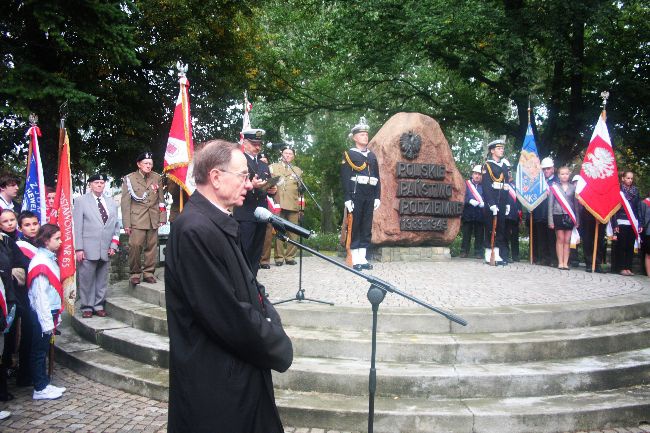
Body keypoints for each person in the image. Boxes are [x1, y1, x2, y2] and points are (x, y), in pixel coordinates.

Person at [165, 139, 293, 433]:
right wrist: (278, 344)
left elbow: (250, 285)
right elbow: (226, 314)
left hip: (239, 369)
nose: (249, 185)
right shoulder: (194, 229)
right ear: (216, 177)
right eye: (243, 176)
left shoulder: (217, 221)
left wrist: (270, 315)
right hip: (217, 380)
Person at [26, 224, 66, 400]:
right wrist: (47, 322)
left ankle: (44, 383)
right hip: (43, 313)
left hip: (50, 311)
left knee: (42, 350)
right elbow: (40, 296)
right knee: (39, 352)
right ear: (45, 240)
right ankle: (40, 387)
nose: (60, 241)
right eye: (57, 238)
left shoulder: (49, 258)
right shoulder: (41, 263)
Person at [74, 174, 120, 318]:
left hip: (106, 248)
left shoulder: (111, 202)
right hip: (87, 247)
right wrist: (79, 248)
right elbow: (77, 227)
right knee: (86, 278)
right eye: (96, 182)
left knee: (101, 279)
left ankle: (98, 304)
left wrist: (114, 245)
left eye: (102, 182)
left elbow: (116, 226)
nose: (100, 185)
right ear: (90, 185)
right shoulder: (81, 201)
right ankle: (87, 306)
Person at [340, 117, 381, 271]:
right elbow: (345, 177)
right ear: (355, 137)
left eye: (366, 134)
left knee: (366, 226)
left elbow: (377, 177)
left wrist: (378, 196)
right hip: (356, 193)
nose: (365, 136)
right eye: (362, 134)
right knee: (355, 226)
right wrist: (347, 198)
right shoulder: (349, 154)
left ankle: (362, 257)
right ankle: (355, 258)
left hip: (370, 194)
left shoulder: (371, 155)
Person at [120, 152, 167, 285]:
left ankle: (148, 273)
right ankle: (135, 273)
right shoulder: (130, 178)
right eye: (146, 163)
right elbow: (125, 203)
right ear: (139, 164)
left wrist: (162, 216)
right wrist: (127, 224)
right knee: (135, 246)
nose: (149, 166)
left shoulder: (157, 177)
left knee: (151, 247)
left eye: (150, 163)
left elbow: (161, 200)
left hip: (153, 218)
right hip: (137, 219)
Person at [233, 129, 275, 276]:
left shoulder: (263, 165)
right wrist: (251, 185)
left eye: (259, 144)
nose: (257, 147)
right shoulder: (239, 161)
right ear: (245, 143)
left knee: (257, 251)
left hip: (261, 213)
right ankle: (242, 285)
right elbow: (232, 185)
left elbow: (269, 187)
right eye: (254, 144)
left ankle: (253, 284)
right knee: (244, 249)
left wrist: (272, 189)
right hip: (245, 212)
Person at [0, 209, 33, 389]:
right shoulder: (3, 241)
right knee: (7, 339)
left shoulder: (15, 242)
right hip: (5, 297)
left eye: (12, 219)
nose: (10, 224)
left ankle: (21, 374)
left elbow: (22, 265)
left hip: (19, 296)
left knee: (22, 335)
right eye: (5, 221)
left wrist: (15, 273)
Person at [269, 147, 304, 266]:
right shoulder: (273, 167)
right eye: (286, 153)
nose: (288, 155)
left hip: (293, 204)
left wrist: (301, 208)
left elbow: (301, 191)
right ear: (281, 154)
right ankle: (279, 258)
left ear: (293, 156)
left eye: (290, 154)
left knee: (293, 232)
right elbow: (269, 184)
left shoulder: (298, 170)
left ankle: (290, 257)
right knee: (279, 231)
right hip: (278, 203)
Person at [481, 139, 510, 265]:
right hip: (491, 201)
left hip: (502, 200)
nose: (501, 150)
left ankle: (497, 254)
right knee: (490, 227)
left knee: (501, 227)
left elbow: (506, 185)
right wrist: (491, 203)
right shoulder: (487, 166)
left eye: (502, 148)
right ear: (492, 151)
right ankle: (488, 253)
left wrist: (507, 202)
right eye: (499, 148)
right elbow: (486, 186)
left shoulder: (504, 166)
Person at [548, 166, 580, 269]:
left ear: (569, 174)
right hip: (557, 215)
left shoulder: (573, 188)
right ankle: (560, 262)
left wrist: (577, 220)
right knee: (560, 239)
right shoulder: (554, 187)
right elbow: (550, 205)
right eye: (562, 174)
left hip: (570, 216)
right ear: (559, 175)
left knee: (567, 240)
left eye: (566, 174)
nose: (564, 176)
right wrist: (550, 220)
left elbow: (576, 206)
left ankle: (565, 263)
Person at [530, 157, 558, 266]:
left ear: (553, 169)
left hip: (552, 214)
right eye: (544, 169)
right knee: (541, 238)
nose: (546, 171)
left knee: (552, 238)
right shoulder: (537, 181)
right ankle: (543, 258)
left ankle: (554, 259)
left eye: (548, 168)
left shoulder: (557, 182)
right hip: (539, 213)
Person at [612, 171, 640, 276]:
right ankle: (621, 267)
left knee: (630, 246)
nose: (630, 180)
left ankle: (628, 267)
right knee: (621, 245)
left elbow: (637, 208)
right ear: (623, 178)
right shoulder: (618, 190)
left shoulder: (636, 191)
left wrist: (639, 223)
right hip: (621, 220)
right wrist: (615, 224)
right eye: (628, 178)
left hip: (632, 221)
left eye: (631, 178)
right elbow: (614, 208)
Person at [460, 165, 485, 259]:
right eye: (475, 174)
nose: (477, 176)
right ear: (472, 174)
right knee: (466, 233)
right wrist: (469, 200)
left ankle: (478, 252)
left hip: (480, 213)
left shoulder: (484, 186)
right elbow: (462, 195)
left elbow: (488, 197)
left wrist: (484, 203)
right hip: (468, 212)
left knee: (479, 234)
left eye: (479, 174)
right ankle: (464, 251)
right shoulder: (466, 184)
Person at [503, 172, 521, 263]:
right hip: (505, 213)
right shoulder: (502, 183)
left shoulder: (516, 185)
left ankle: (515, 255)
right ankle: (505, 255)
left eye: (510, 171)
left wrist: (519, 210)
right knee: (505, 235)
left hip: (515, 213)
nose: (508, 173)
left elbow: (520, 199)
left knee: (515, 235)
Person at [639, 190, 650, 277]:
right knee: (648, 253)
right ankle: (649, 274)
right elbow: (641, 217)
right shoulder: (644, 203)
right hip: (648, 231)